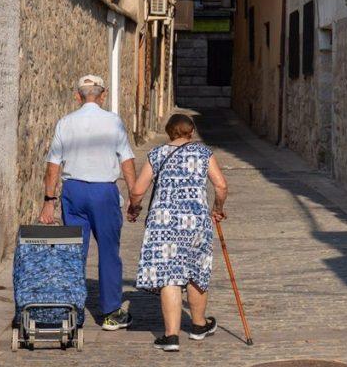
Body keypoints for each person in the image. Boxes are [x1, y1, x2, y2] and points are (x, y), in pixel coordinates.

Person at [40, 75, 137, 330]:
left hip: (74, 191)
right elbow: (126, 160)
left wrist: (49, 201)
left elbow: (53, 166)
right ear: (103, 95)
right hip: (104, 192)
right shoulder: (114, 122)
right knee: (108, 252)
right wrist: (134, 197)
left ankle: (71, 312)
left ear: (77, 96)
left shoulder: (65, 123)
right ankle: (110, 313)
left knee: (74, 252)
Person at [127, 113, 228, 351]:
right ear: (191, 132)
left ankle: (171, 336)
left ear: (169, 132)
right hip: (195, 221)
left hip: (164, 222)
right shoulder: (204, 153)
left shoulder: (157, 154)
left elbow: (137, 191)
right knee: (196, 269)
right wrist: (217, 208)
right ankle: (199, 325)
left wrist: (135, 208)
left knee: (169, 274)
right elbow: (221, 185)